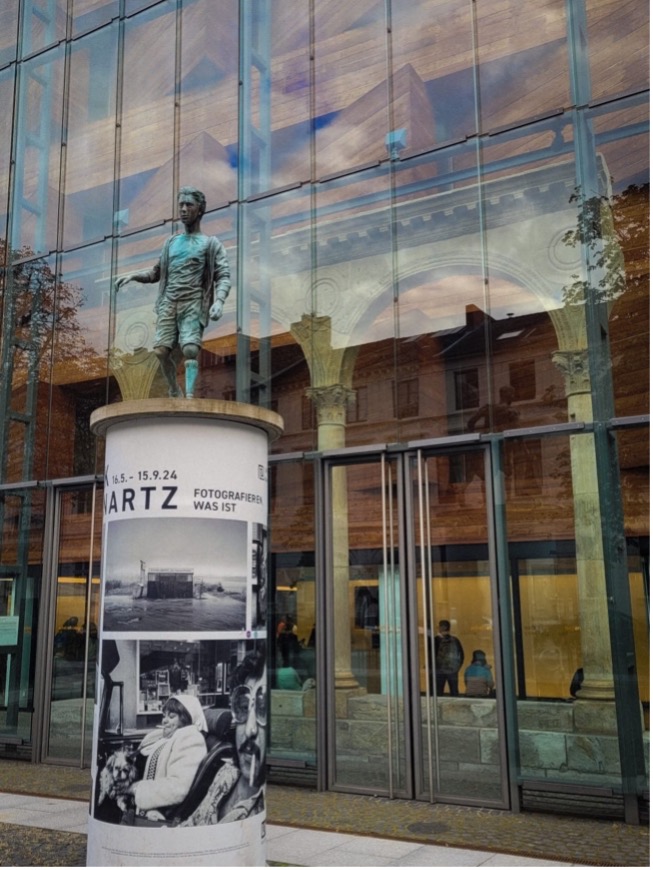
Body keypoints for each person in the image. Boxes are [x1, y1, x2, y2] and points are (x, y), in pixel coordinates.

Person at [115, 186, 231, 399]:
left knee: (189, 350)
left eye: (189, 205)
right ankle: (173, 388)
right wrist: (132, 276)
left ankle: (188, 396)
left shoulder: (210, 244)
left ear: (200, 209)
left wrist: (219, 301)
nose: (184, 209)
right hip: (169, 301)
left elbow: (223, 275)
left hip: (193, 301)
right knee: (160, 351)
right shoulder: (171, 243)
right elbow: (155, 273)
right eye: (181, 205)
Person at [181, 645, 266, 826]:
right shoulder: (226, 773)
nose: (250, 729)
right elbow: (193, 823)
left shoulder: (264, 806)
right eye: (243, 708)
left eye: (264, 711)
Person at [118, 694, 208, 824]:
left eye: (171, 717)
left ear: (186, 720)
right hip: (129, 801)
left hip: (150, 814)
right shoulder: (163, 737)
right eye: (164, 716)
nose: (164, 721)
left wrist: (136, 789)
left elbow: (177, 788)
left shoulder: (190, 738)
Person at [434, 620, 464, 696]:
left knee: (439, 692)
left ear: (441, 628)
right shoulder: (455, 640)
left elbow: (431, 655)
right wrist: (457, 668)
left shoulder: (436, 640)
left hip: (439, 670)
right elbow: (461, 655)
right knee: (454, 691)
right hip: (452, 670)